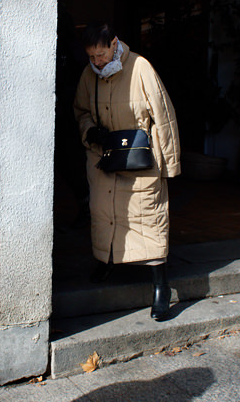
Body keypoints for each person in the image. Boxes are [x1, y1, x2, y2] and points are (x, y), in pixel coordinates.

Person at [74, 23, 181, 321]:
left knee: (148, 218)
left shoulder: (141, 67)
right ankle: (105, 260)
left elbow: (164, 116)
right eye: (91, 56)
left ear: (114, 44)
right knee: (104, 213)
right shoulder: (88, 75)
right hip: (104, 155)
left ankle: (161, 287)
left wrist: (170, 163)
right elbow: (80, 111)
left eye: (101, 54)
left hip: (141, 157)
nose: (97, 62)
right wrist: (89, 131)